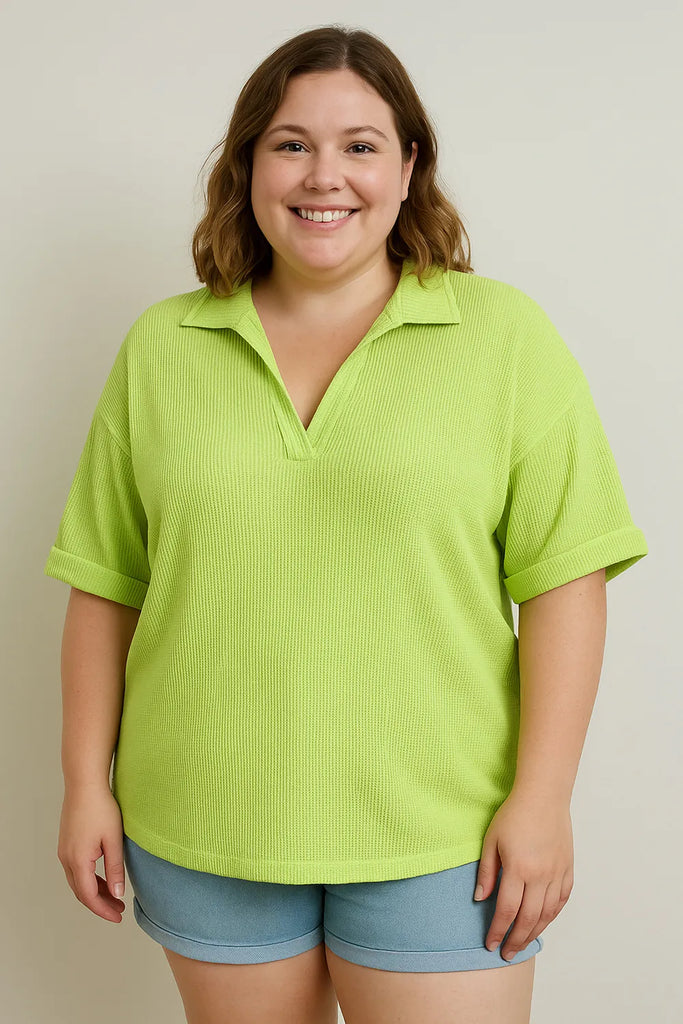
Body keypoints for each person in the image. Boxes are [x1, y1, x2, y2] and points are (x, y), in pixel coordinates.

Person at [45, 23, 648, 1024]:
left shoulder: (502, 338)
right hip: (206, 822)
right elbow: (106, 586)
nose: (323, 175)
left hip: (446, 834)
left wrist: (542, 801)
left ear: (408, 168)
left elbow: (564, 584)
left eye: (359, 145)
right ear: (248, 165)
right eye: (290, 143)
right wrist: (82, 785)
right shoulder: (162, 347)